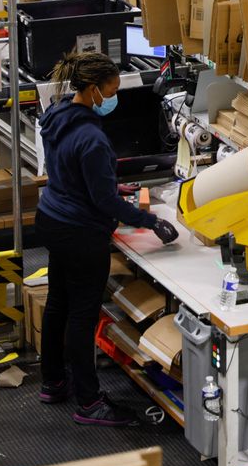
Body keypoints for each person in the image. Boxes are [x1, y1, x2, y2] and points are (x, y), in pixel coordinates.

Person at [36, 51, 180, 425]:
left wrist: (109, 184)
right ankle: (90, 403)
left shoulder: (57, 113)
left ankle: (52, 382)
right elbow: (104, 202)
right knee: (83, 318)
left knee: (57, 305)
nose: (115, 97)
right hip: (81, 233)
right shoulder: (94, 139)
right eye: (113, 89)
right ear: (96, 90)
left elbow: (72, 173)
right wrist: (150, 221)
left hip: (52, 218)